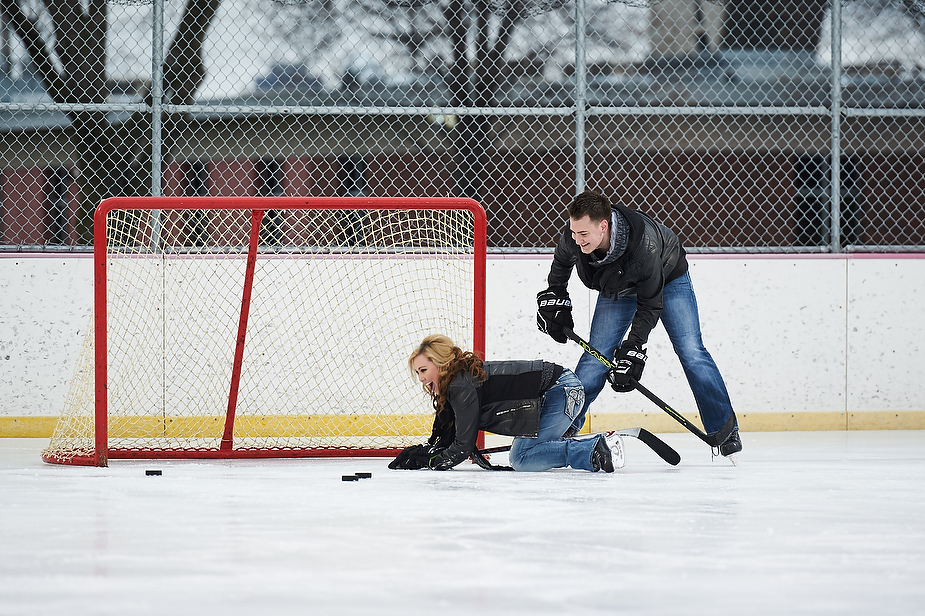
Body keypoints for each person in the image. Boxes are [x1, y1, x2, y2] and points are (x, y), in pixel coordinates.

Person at [536, 189, 741, 459]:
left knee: (691, 351)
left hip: (667, 280)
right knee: (595, 358)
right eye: (574, 233)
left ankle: (724, 430)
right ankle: (564, 427)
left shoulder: (645, 248)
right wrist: (556, 295)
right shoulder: (576, 235)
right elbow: (562, 263)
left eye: (583, 235)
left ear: (604, 226)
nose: (577, 240)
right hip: (618, 286)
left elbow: (650, 305)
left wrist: (634, 348)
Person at [389, 334, 623, 472]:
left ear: (441, 365)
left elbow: (462, 445)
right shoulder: (457, 383)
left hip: (562, 390)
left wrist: (430, 461)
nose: (420, 379)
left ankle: (591, 450)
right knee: (524, 453)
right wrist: (432, 452)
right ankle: (574, 441)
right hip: (560, 391)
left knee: (521, 458)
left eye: (423, 370)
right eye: (417, 372)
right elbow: (455, 437)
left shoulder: (460, 385)